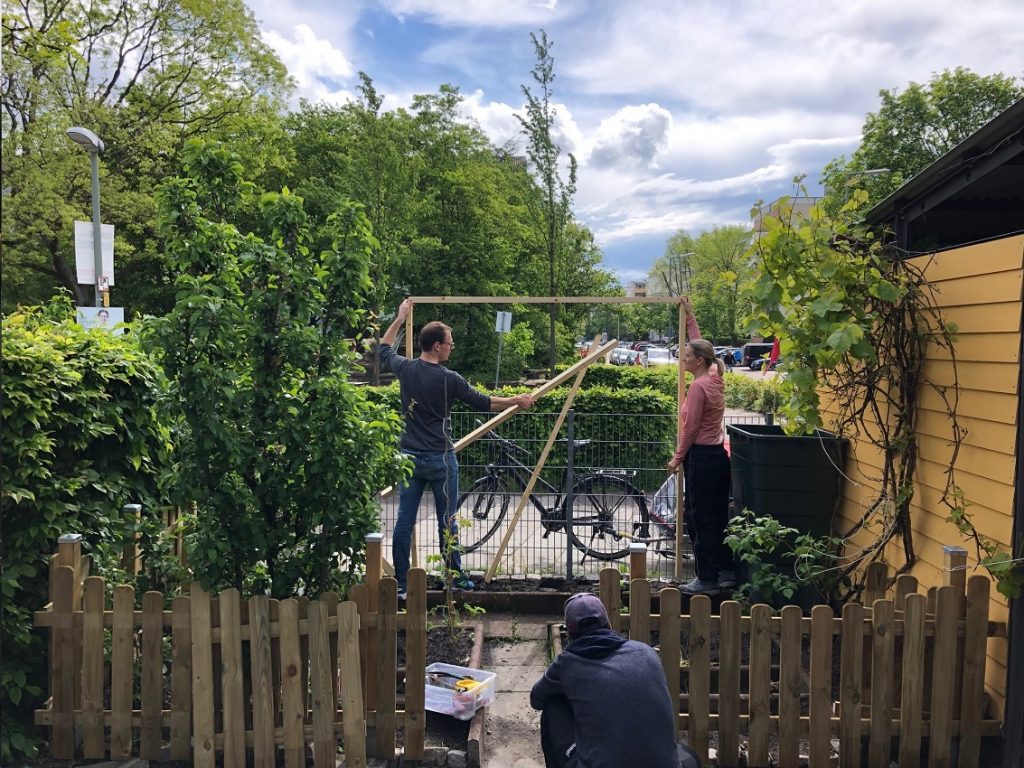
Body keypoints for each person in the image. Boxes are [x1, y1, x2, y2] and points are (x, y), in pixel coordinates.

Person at [378, 299, 535, 599]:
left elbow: (384, 349)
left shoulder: (406, 369)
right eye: (449, 343)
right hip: (440, 460)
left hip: (409, 459)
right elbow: (484, 402)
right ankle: (454, 577)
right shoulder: (449, 379)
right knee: (447, 519)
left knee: (404, 521)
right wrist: (516, 399)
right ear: (436, 346)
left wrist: (399, 317)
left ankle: (400, 585)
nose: (452, 347)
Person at [530, 593, 700, 768]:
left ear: (570, 634)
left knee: (553, 704)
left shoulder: (568, 664)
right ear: (609, 625)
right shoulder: (646, 652)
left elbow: (536, 699)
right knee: (689, 756)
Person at [667, 297, 735, 595]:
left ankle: (706, 578)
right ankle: (724, 573)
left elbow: (691, 428)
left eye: (686, 356)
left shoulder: (697, 387)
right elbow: (702, 345)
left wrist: (677, 457)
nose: (683, 359)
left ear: (698, 361)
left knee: (698, 518)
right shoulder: (715, 377)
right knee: (717, 516)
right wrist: (690, 316)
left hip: (701, 457)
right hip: (718, 457)